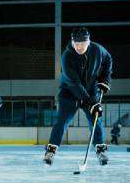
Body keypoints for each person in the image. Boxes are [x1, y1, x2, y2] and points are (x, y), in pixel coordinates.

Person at [44, 27, 112, 166]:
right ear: (72, 42)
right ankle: (51, 150)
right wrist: (92, 102)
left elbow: (108, 59)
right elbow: (74, 84)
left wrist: (105, 80)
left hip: (91, 89)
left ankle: (100, 149)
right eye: (76, 44)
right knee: (62, 120)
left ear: (89, 42)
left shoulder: (98, 50)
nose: (79, 47)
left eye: (82, 44)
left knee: (95, 119)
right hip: (69, 91)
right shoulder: (67, 57)